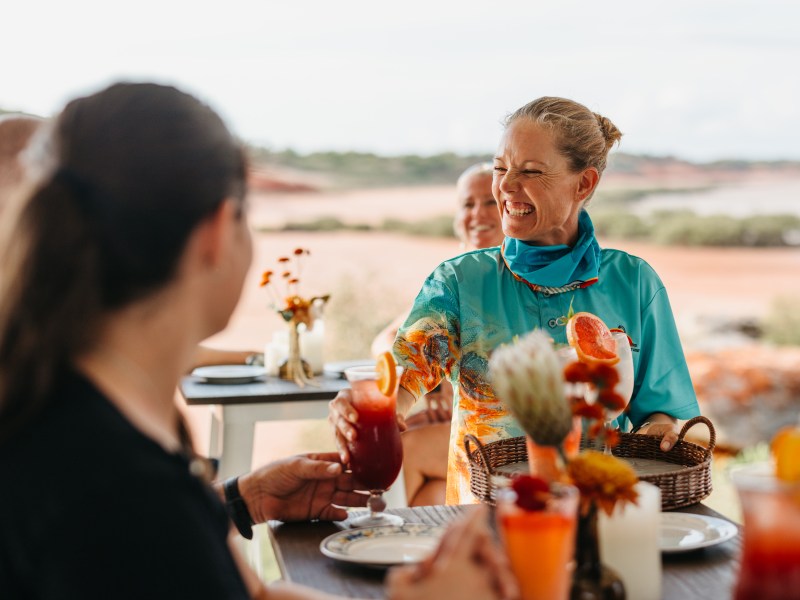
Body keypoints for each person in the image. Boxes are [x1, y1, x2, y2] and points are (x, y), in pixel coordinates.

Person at [0, 82, 515, 600]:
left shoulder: (81, 414)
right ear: (218, 230)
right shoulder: (121, 482)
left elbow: (247, 592)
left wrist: (244, 499)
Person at [331, 96, 701, 504]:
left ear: (584, 183)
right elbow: (400, 382)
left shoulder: (634, 283)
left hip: (598, 517)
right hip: (481, 526)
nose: (505, 186)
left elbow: (660, 412)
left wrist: (660, 429)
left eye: (530, 171)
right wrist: (365, 409)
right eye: (500, 168)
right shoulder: (458, 281)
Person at [371, 162, 504, 506]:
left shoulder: (513, 271)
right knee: (429, 494)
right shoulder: (453, 275)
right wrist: (433, 381)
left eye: (488, 201)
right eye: (467, 204)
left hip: (503, 428)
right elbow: (389, 341)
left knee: (404, 453)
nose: (478, 214)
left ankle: (385, 553)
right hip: (464, 426)